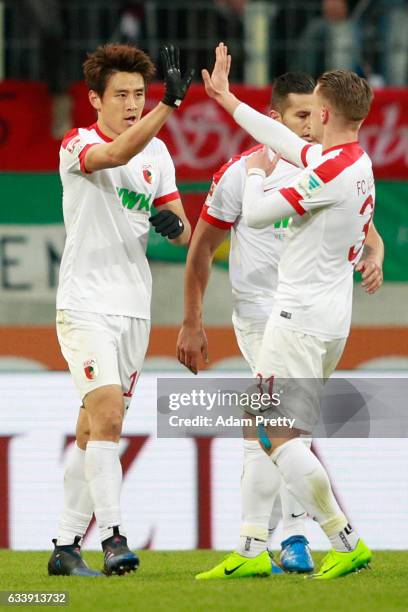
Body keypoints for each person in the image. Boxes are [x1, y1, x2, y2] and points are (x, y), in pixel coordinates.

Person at [178, 70, 383, 579]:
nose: (307, 120)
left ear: (325, 113)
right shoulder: (354, 160)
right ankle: (250, 547)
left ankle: (343, 538)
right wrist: (228, 102)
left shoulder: (327, 172)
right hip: (329, 319)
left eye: (312, 108)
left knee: (275, 435)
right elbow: (284, 141)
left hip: (297, 319)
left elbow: (261, 212)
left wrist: (253, 173)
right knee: (260, 421)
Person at [47, 43, 193, 577]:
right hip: (85, 304)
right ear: (94, 100)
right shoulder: (78, 143)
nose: (133, 104)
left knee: (93, 432)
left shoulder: (158, 155)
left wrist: (174, 228)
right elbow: (113, 156)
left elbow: (184, 230)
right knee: (108, 414)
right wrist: (167, 108)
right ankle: (112, 538)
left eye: (140, 94)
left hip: (135, 309)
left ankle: (64, 547)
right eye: (123, 95)